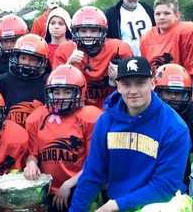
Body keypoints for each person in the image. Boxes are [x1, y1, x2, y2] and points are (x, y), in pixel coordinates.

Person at [68, 56, 191, 211]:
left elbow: (165, 186)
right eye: (126, 84)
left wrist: (114, 205)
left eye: (140, 83)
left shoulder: (175, 127)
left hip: (161, 204)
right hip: (118, 201)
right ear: (118, 86)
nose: (133, 91)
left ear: (152, 84)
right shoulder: (105, 121)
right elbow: (93, 173)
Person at [24, 64, 103, 212]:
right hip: (47, 191)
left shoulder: (89, 117)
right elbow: (33, 155)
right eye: (56, 92)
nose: (60, 97)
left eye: (67, 92)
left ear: (80, 92)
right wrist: (31, 164)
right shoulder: (37, 118)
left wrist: (69, 184)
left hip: (81, 187)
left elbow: (95, 163)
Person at [53, 6, 133, 109]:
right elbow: (55, 89)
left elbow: (134, 86)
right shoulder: (65, 50)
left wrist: (120, 78)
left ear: (103, 31)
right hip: (76, 108)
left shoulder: (119, 49)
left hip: (112, 106)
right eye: (83, 31)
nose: (88, 35)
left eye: (94, 30)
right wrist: (68, 66)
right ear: (75, 31)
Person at [0, 33, 50, 128]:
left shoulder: (47, 83)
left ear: (41, 62)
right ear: (16, 57)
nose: (26, 63)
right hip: (9, 134)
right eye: (23, 58)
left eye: (32, 59)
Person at [154, 63, 193, 194]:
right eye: (168, 92)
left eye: (178, 93)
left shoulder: (190, 114)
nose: (173, 97)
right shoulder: (147, 112)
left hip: (180, 174)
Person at [140, 0, 193, 78]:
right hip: (156, 82)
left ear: (177, 15)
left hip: (181, 84)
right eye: (157, 14)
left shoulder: (187, 31)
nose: (161, 17)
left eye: (167, 13)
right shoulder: (146, 37)